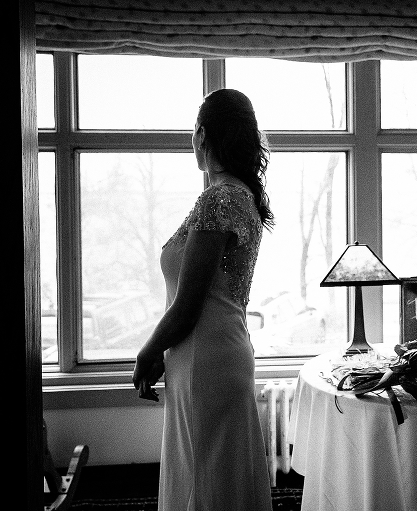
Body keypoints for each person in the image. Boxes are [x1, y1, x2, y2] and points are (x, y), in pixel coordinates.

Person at [132, 88, 275, 511]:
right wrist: (165, 350)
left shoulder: (219, 198)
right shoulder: (242, 195)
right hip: (218, 354)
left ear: (202, 134)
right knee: (215, 476)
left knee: (203, 478)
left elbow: (188, 305)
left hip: (204, 361)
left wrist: (147, 351)